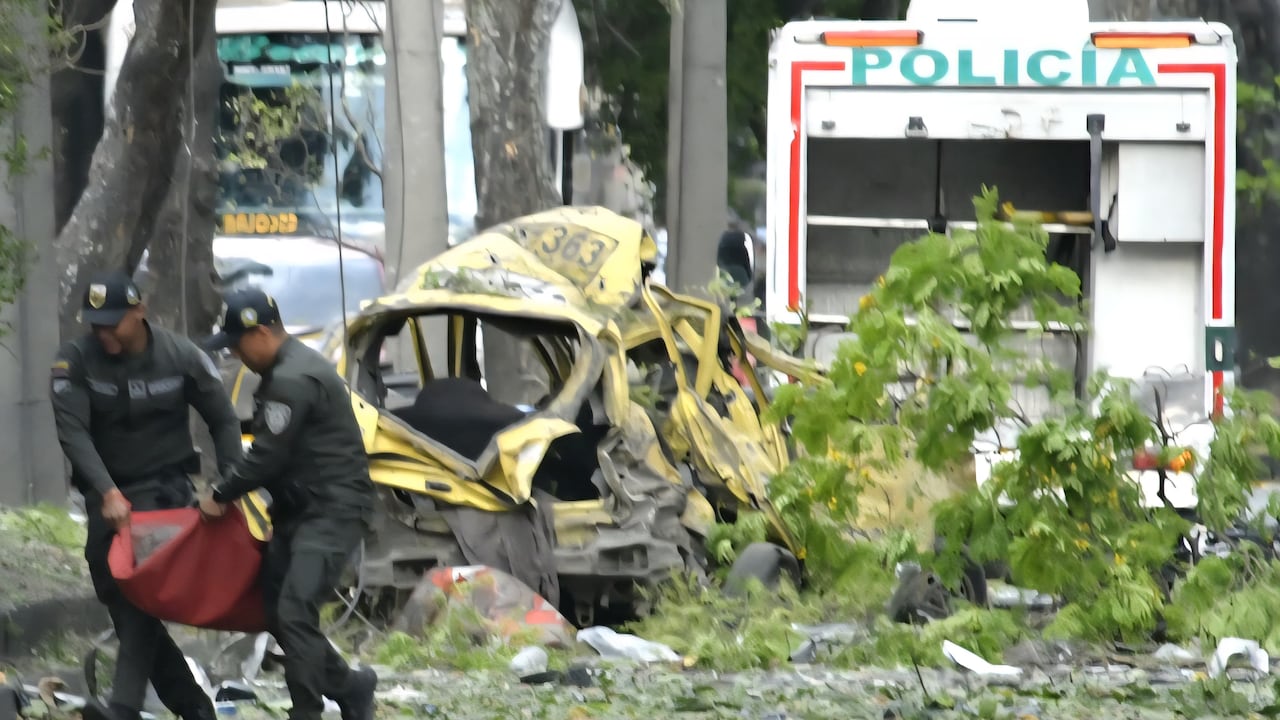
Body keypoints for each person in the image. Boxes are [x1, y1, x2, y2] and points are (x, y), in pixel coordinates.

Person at [49, 270, 244, 720]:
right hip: (109, 495)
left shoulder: (181, 355)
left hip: (164, 493)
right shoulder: (74, 361)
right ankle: (193, 706)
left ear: (140, 312)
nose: (104, 332)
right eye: (96, 323)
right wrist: (108, 491)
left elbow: (224, 419)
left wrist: (231, 485)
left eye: (113, 321)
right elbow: (73, 432)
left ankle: (124, 708)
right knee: (117, 595)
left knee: (135, 593)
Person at [196, 288, 377, 720]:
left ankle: (307, 710)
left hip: (332, 511)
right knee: (277, 611)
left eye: (239, 345)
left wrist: (220, 494)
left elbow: (267, 455)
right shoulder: (283, 371)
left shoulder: (293, 378)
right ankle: (352, 688)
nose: (237, 356)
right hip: (299, 511)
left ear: (260, 333)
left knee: (294, 611)